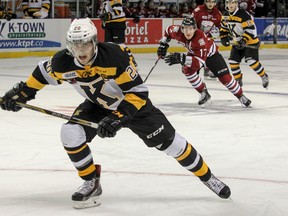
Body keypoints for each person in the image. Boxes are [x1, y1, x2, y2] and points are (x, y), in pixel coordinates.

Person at [0, 18, 231, 209]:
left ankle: (209, 178)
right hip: (98, 106)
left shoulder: (114, 57)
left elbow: (138, 93)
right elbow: (40, 74)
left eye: (85, 44)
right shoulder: (63, 62)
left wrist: (119, 117)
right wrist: (20, 95)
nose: (80, 51)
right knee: (70, 133)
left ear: (94, 42)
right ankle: (91, 182)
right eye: (75, 45)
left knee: (173, 145)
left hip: (133, 107)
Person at [157, 17, 251, 107]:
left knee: (225, 78)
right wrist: (163, 44)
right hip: (195, 53)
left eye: (190, 29)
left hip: (211, 55)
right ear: (181, 29)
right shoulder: (176, 31)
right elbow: (167, 30)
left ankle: (241, 95)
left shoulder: (200, 39)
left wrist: (183, 58)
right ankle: (203, 92)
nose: (187, 31)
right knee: (187, 70)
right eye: (185, 29)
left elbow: (198, 64)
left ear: (195, 29)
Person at [220, 0, 269, 89]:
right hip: (237, 42)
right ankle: (238, 80)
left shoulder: (243, 14)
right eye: (228, 3)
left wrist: (243, 40)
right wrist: (223, 37)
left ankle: (263, 76)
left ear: (236, 4)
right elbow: (224, 28)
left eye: (233, 3)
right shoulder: (225, 15)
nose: (230, 5)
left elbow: (251, 30)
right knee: (233, 61)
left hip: (250, 42)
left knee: (251, 61)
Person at [192, 0, 222, 78]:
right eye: (208, 1)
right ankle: (193, 68)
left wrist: (224, 34)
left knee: (209, 52)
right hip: (195, 36)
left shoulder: (217, 13)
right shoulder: (198, 10)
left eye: (212, 2)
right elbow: (191, 22)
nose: (210, 4)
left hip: (206, 37)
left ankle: (207, 69)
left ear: (215, 3)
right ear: (205, 2)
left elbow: (220, 26)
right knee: (199, 53)